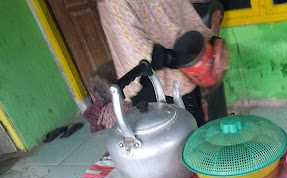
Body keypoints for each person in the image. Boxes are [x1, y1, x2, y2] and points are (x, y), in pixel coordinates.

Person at [95, 0, 227, 127]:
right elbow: (137, 52)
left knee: (197, 130)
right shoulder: (113, 3)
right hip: (151, 85)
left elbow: (188, 18)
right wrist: (186, 59)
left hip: (184, 77)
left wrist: (211, 43)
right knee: (172, 140)